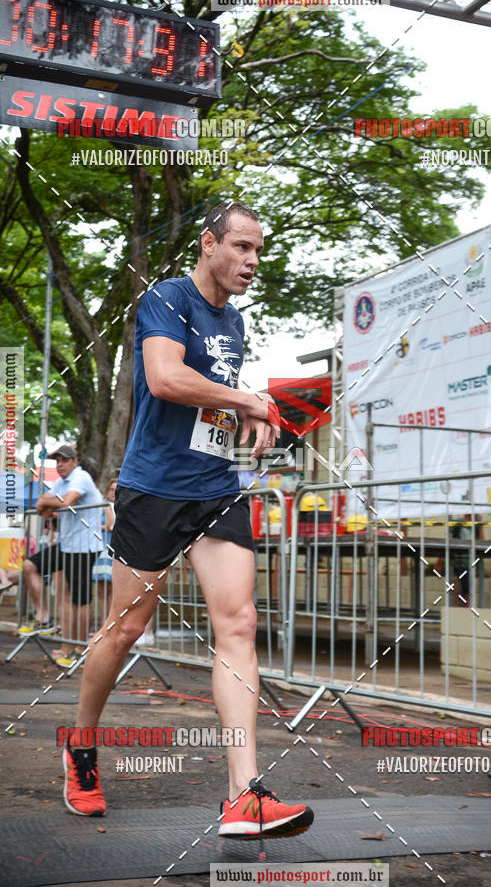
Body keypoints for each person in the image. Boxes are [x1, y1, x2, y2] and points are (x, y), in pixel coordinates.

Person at [62, 201, 314, 840]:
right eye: (243, 248)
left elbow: (215, 400)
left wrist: (252, 414)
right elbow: (167, 378)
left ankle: (243, 794)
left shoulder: (235, 323)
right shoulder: (166, 299)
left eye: (259, 251)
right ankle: (82, 747)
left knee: (239, 624)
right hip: (155, 490)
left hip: (215, 487)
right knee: (125, 630)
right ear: (209, 245)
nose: (253, 263)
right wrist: (250, 399)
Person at [19, 446, 103, 667]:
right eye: (56, 460)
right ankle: (44, 618)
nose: (59, 464)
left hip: (84, 548)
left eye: (64, 460)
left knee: (79, 601)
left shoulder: (81, 477)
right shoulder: (63, 481)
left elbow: (65, 502)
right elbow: (43, 508)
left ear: (75, 461)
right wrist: (48, 503)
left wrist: (48, 503)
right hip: (67, 546)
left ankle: (80, 650)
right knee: (30, 566)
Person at [91, 477, 116, 625]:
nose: (114, 492)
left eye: (117, 490)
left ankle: (110, 624)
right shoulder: (101, 505)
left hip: (114, 549)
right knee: (101, 589)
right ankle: (102, 624)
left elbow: (110, 523)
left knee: (112, 590)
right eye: (112, 489)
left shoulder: (121, 507)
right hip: (100, 548)